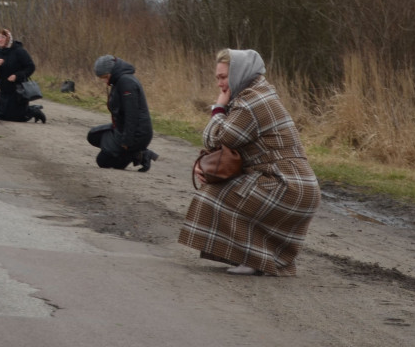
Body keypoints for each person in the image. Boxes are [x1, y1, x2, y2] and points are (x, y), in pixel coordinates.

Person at [177, 48, 321, 276]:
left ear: (238, 74)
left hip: (286, 185)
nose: (219, 84)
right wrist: (201, 162)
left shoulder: (251, 102)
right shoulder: (257, 94)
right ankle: (255, 258)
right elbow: (224, 146)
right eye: (217, 78)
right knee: (227, 190)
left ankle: (253, 260)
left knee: (213, 194)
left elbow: (217, 137)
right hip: (298, 186)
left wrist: (218, 108)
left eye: (223, 77)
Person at [86, 55, 158, 171]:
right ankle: (132, 153)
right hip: (121, 129)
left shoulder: (126, 82)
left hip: (137, 134)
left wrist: (127, 140)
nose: (105, 81)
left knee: (102, 161)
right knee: (93, 135)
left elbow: (132, 115)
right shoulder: (118, 80)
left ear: (111, 71)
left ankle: (140, 154)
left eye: (105, 77)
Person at [0, 28, 45, 123]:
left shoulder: (19, 51)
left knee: (18, 118)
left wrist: (17, 76)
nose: (0, 40)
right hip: (4, 88)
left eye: (3, 37)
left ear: (8, 38)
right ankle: (25, 110)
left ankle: (34, 111)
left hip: (18, 89)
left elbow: (31, 67)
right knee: (1, 116)